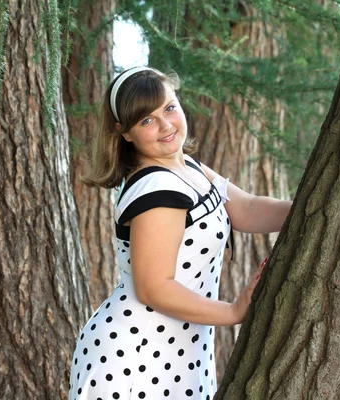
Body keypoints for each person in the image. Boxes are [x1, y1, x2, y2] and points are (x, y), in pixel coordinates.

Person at [68, 66, 292, 400]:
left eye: (169, 108)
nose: (166, 125)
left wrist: (313, 205)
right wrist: (233, 312)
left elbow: (245, 209)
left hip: (176, 353)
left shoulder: (187, 167)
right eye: (147, 120)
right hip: (138, 357)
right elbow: (154, 288)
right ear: (124, 132)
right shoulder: (158, 190)